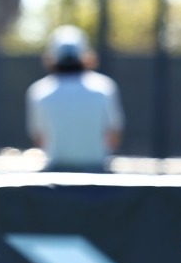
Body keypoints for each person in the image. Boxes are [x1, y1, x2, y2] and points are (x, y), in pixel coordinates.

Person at [24, 26, 122, 173]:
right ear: (85, 55)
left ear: (52, 57)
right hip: (98, 178)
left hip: (55, 179)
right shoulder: (104, 88)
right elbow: (114, 136)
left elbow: (39, 139)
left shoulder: (39, 91)